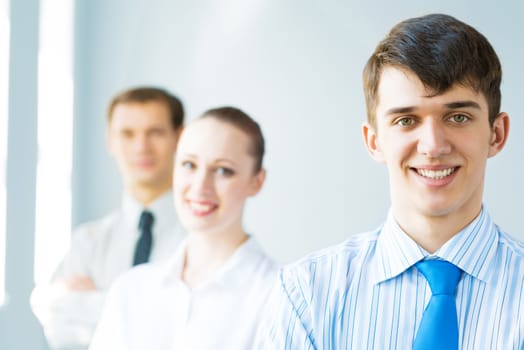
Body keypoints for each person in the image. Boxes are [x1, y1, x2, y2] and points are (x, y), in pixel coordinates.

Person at [255, 13, 524, 349]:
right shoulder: (307, 296)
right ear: (374, 141)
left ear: (496, 134)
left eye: (458, 117)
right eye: (406, 120)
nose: (433, 146)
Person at [89, 106, 278, 350]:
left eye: (223, 171)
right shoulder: (130, 290)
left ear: (257, 181)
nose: (200, 187)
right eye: (189, 165)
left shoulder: (277, 297)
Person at [30, 86, 187, 350]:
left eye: (155, 132)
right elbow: (60, 332)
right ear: (110, 141)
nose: (141, 146)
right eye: (127, 134)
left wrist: (92, 305)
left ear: (180, 137)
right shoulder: (87, 242)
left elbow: (192, 333)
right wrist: (153, 317)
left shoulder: (200, 241)